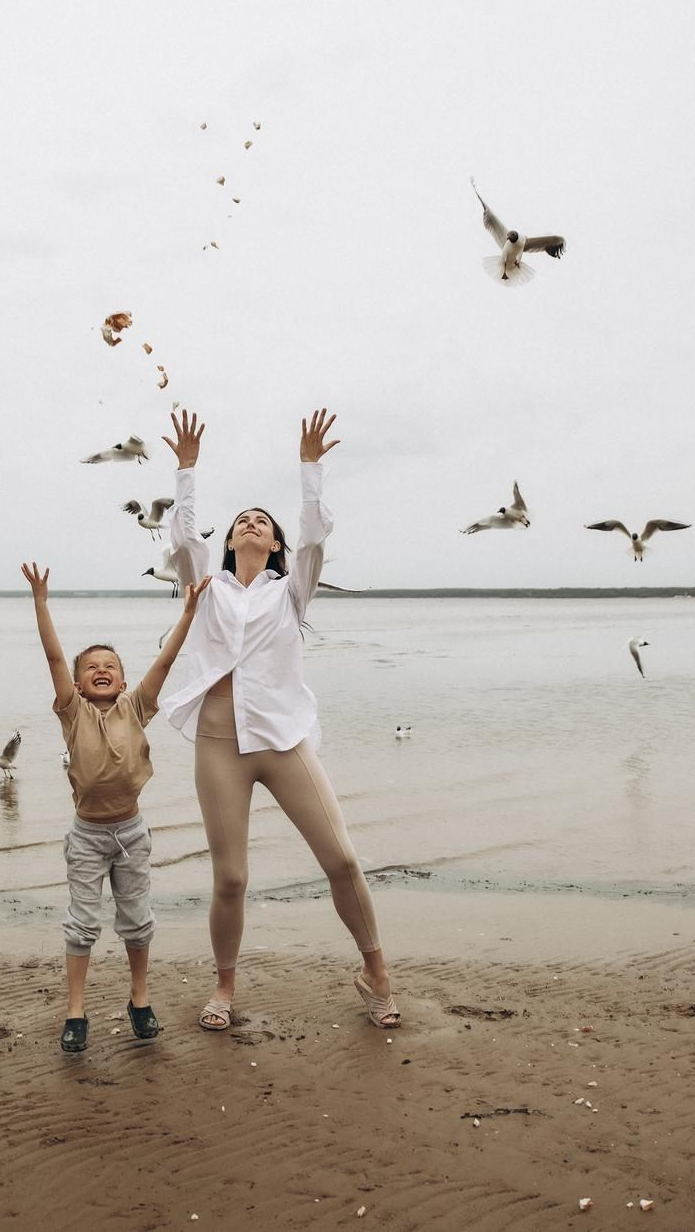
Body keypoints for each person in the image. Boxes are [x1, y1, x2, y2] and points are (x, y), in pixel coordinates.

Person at [161, 407, 398, 1032]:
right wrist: (186, 470)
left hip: (283, 740)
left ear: (273, 546)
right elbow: (184, 541)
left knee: (342, 860)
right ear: (229, 541)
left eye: (261, 522)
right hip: (219, 744)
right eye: (242, 520)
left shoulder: (291, 590)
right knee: (231, 878)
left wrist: (309, 467)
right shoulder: (204, 588)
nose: (250, 524)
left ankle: (376, 974)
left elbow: (314, 538)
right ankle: (224, 986)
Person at [20, 562, 209, 1053]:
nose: (100, 670)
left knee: (138, 921)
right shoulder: (73, 712)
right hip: (87, 836)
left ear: (123, 682)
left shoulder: (135, 707)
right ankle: (75, 1010)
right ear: (78, 685)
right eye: (91, 667)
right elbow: (54, 656)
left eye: (110, 666)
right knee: (82, 925)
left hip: (131, 834)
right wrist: (41, 603)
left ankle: (139, 998)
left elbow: (165, 663)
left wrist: (188, 614)